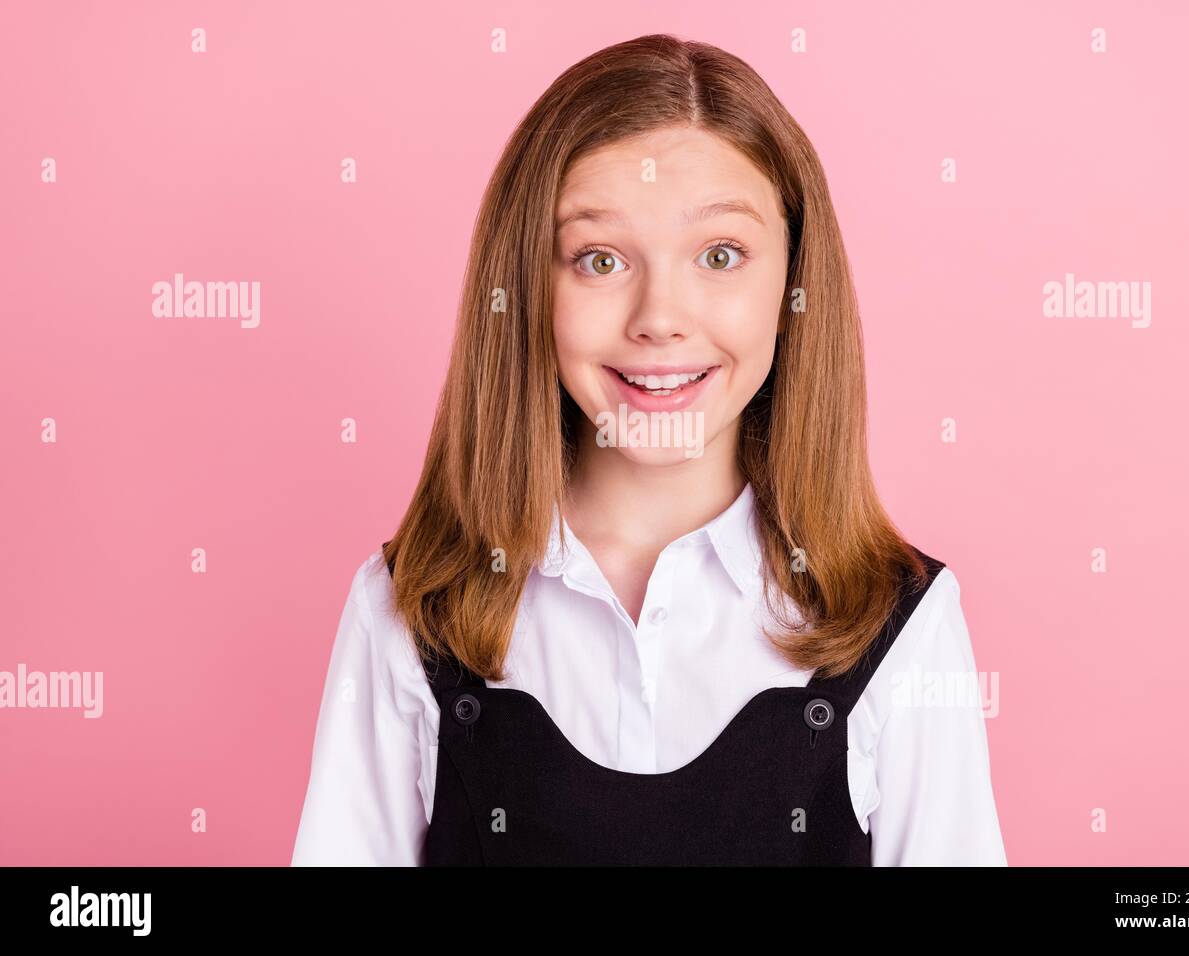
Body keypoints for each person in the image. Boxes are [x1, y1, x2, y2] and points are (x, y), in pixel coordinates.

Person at [291, 33, 1007, 866]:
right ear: (528, 289)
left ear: (792, 288)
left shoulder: (905, 625)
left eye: (720, 255)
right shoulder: (404, 610)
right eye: (599, 259)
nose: (659, 316)